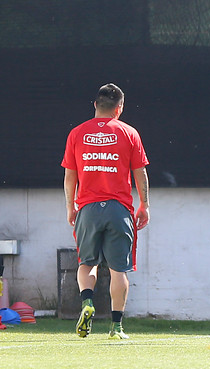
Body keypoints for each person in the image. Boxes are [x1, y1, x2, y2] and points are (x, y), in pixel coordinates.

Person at [61, 83, 150, 339]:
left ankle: (87, 302)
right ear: (119, 108)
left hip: (87, 207)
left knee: (87, 262)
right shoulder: (129, 133)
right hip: (118, 209)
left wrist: (70, 206)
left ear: (95, 105)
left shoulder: (77, 133)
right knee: (118, 270)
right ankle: (116, 326)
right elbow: (140, 172)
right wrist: (144, 204)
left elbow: (70, 175)